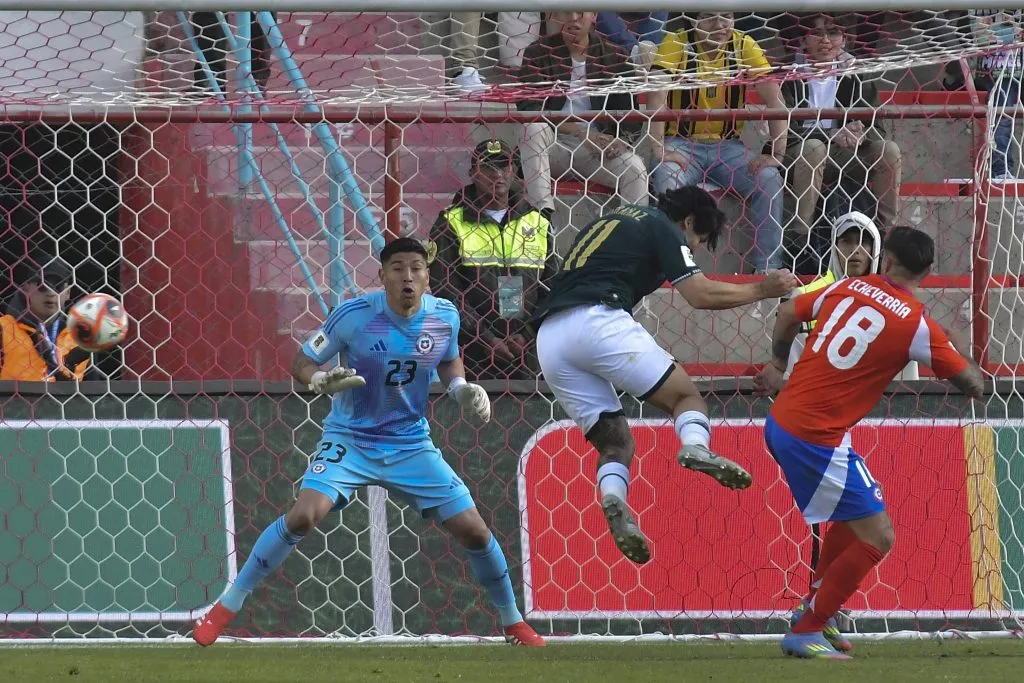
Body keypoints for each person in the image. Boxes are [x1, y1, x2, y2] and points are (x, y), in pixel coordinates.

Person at [192, 238, 544, 648]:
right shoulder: (354, 316)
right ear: (382, 276)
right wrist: (318, 380)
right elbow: (302, 361)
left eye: (416, 268)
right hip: (352, 439)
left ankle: (512, 622)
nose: (407, 277)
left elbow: (448, 358)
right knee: (303, 516)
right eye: (397, 268)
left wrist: (460, 386)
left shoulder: (444, 316)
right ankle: (223, 609)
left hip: (410, 442)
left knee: (475, 532)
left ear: (428, 276)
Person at [531, 186, 799, 565]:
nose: (694, 246)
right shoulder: (662, 227)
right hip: (598, 320)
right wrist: (763, 289)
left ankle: (613, 499)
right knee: (686, 398)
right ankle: (695, 445)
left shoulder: (613, 219)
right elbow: (699, 294)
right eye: (699, 239)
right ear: (688, 222)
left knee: (616, 443)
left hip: (550, 339)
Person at [754, 225, 985, 659]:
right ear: (929, 272)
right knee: (879, 537)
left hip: (791, 423)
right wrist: (951, 341)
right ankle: (807, 628)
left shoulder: (847, 287)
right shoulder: (917, 323)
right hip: (813, 437)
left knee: (853, 517)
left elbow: (787, 313)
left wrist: (776, 365)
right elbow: (974, 384)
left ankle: (813, 611)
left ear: (888, 261)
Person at [649, 11, 788, 273]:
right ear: (693, 20)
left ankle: (768, 269)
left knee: (769, 177)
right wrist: (659, 149)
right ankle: (669, 267)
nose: (720, 24)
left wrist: (777, 154)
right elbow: (657, 93)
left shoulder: (743, 44)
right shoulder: (677, 42)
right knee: (667, 177)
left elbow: (775, 98)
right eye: (710, 17)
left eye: (726, 16)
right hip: (681, 143)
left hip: (729, 147)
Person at [428, 140, 557, 380]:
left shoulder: (538, 223)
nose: (496, 174)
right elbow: (445, 289)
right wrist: (485, 337)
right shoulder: (450, 222)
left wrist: (528, 333)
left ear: (514, 170)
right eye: (487, 167)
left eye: (504, 166)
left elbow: (552, 286)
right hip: (472, 351)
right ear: (472, 173)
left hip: (529, 350)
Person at [516, 11, 650, 216]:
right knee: (532, 128)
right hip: (554, 144)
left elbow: (630, 116)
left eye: (581, 11)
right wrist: (583, 133)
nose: (573, 18)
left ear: (594, 16)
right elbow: (528, 108)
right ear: (556, 17)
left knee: (635, 169)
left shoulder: (615, 55)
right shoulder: (538, 53)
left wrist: (620, 142)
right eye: (567, 11)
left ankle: (634, 234)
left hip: (597, 149)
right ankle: (541, 217)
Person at [782, 13, 902, 232]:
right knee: (814, 148)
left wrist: (861, 134)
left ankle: (888, 233)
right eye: (817, 33)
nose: (825, 40)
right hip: (797, 156)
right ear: (803, 40)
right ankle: (801, 237)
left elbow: (878, 128)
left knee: (889, 150)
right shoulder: (787, 74)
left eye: (833, 33)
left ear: (845, 40)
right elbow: (784, 132)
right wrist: (830, 134)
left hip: (845, 155)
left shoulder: (856, 73)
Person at [784, 210, 881, 373]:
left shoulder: (887, 302)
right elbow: (793, 360)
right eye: (846, 241)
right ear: (834, 247)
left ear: (875, 248)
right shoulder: (806, 296)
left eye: (863, 242)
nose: (855, 249)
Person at [0, 260, 91, 381]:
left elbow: (93, 391)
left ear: (68, 292)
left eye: (58, 286)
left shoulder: (80, 338)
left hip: (67, 400)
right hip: (16, 399)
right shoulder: (4, 328)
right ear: (26, 288)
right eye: (42, 285)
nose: (50, 292)